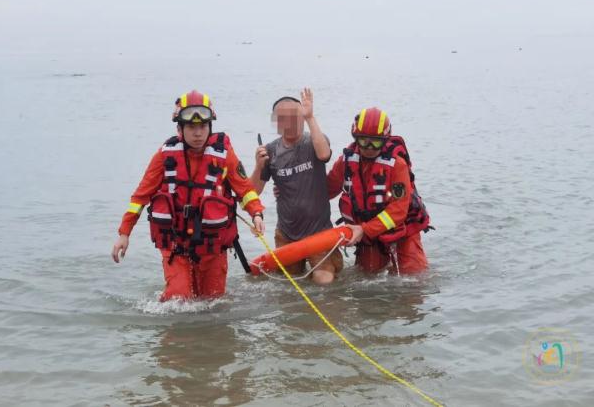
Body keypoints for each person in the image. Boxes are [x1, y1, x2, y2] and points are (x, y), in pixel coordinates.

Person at [111, 90, 265, 301]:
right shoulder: (165, 155)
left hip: (213, 247)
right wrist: (124, 233)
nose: (198, 133)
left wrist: (256, 213)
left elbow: (245, 190)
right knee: (178, 300)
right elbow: (141, 196)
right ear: (179, 128)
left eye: (202, 126)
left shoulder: (224, 155)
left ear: (210, 127)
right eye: (191, 127)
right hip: (176, 245)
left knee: (214, 303)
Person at [250, 88, 343, 285]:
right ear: (275, 121)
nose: (289, 123)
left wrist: (310, 117)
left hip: (320, 232)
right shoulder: (270, 150)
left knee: (324, 280)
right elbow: (252, 192)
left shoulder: (314, 140)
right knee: (288, 284)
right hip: (287, 233)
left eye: (295, 116)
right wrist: (258, 166)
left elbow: (324, 154)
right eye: (283, 118)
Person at [327, 107, 431, 274]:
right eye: (363, 140)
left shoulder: (397, 165)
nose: (368, 147)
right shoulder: (345, 162)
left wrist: (365, 229)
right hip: (368, 235)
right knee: (366, 276)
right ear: (355, 138)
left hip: (402, 231)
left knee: (414, 279)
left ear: (385, 140)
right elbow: (326, 190)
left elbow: (398, 210)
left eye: (375, 141)